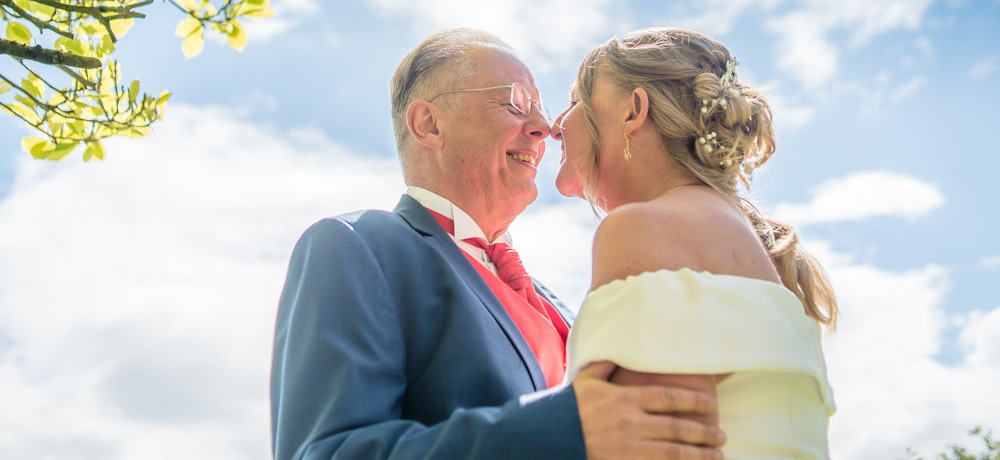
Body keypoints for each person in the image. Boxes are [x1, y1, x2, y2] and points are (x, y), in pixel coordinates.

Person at [270, 28, 726, 460]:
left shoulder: (560, 306)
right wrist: (561, 428)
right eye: (516, 103)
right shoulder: (356, 248)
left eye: (542, 108)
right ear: (428, 124)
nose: (545, 127)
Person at [552, 27, 837, 460]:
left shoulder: (646, 230)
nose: (556, 126)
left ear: (634, 110)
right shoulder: (757, 254)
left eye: (575, 102)